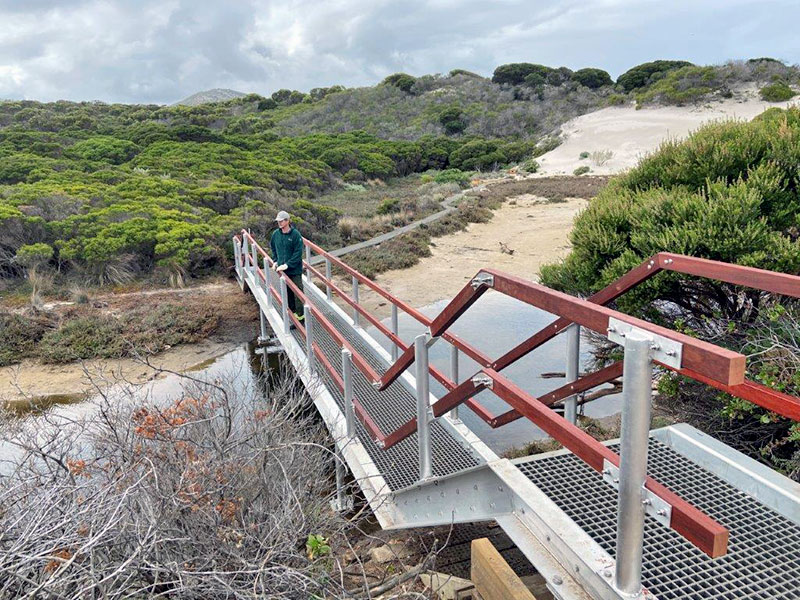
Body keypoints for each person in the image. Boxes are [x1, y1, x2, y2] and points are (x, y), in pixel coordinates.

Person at [269, 210, 305, 323]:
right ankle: (293, 317)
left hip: (294, 270)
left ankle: (301, 318)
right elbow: (273, 247)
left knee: (298, 293)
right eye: (278, 221)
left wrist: (288, 265)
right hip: (283, 271)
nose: (279, 223)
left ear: (287, 221)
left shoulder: (295, 235)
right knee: (288, 294)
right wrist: (275, 260)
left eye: (281, 221)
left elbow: (298, 253)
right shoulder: (276, 234)